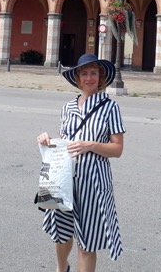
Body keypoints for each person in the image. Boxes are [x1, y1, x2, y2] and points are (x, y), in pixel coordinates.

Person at [37, 53, 125, 272]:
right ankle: (61, 268)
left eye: (93, 73)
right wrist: (47, 141)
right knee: (61, 234)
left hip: (93, 184)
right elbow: (63, 143)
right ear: (77, 78)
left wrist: (92, 145)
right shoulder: (68, 107)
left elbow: (117, 149)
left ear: (101, 77)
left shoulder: (110, 107)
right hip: (63, 180)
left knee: (86, 244)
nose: (89, 78)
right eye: (84, 73)